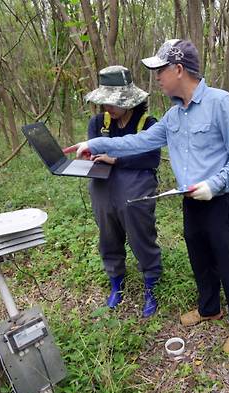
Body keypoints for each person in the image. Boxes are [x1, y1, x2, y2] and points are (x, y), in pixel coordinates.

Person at [69, 40, 229, 356]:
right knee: (199, 258)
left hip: (220, 201)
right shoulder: (173, 116)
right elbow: (139, 142)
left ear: (178, 70)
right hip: (189, 200)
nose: (156, 78)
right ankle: (209, 308)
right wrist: (97, 144)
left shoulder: (221, 103)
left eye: (160, 70)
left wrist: (215, 183)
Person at [78, 65, 162, 318]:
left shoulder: (147, 123)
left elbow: (151, 158)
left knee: (140, 234)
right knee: (108, 234)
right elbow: (94, 153)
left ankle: (151, 283)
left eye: (113, 103)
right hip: (103, 186)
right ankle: (116, 282)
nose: (108, 109)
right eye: (104, 103)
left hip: (136, 185)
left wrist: (117, 160)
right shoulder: (98, 123)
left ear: (130, 101)